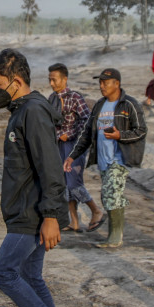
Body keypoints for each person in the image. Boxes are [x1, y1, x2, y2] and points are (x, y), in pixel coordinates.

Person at [0, 48, 81, 307]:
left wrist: (52, 216)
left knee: (3, 272)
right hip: (27, 209)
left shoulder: (33, 113)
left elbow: (51, 168)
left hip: (32, 213)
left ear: (15, 81)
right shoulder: (23, 110)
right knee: (30, 273)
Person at [64, 68, 147, 248]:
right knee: (110, 195)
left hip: (120, 159)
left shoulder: (129, 104)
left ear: (116, 84)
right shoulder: (99, 105)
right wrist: (72, 156)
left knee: (110, 194)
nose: (101, 86)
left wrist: (120, 136)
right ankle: (114, 234)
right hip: (103, 160)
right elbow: (87, 135)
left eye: (105, 82)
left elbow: (141, 131)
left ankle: (115, 237)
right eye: (100, 82)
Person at [47, 63, 104, 233]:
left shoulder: (75, 97)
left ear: (65, 79)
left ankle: (96, 210)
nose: (51, 83)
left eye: (54, 80)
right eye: (49, 80)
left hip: (74, 145)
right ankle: (74, 221)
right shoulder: (52, 98)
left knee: (73, 182)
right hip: (59, 145)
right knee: (65, 183)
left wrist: (69, 134)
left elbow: (86, 121)